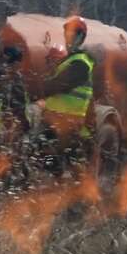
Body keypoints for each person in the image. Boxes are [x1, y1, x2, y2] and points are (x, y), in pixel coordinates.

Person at [36, 16, 98, 169]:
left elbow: (59, 85)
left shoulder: (80, 62)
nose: (69, 37)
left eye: (73, 33)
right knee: (49, 162)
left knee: (56, 163)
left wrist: (35, 90)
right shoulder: (69, 60)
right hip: (57, 121)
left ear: (81, 37)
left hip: (67, 123)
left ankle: (66, 189)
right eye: (67, 33)